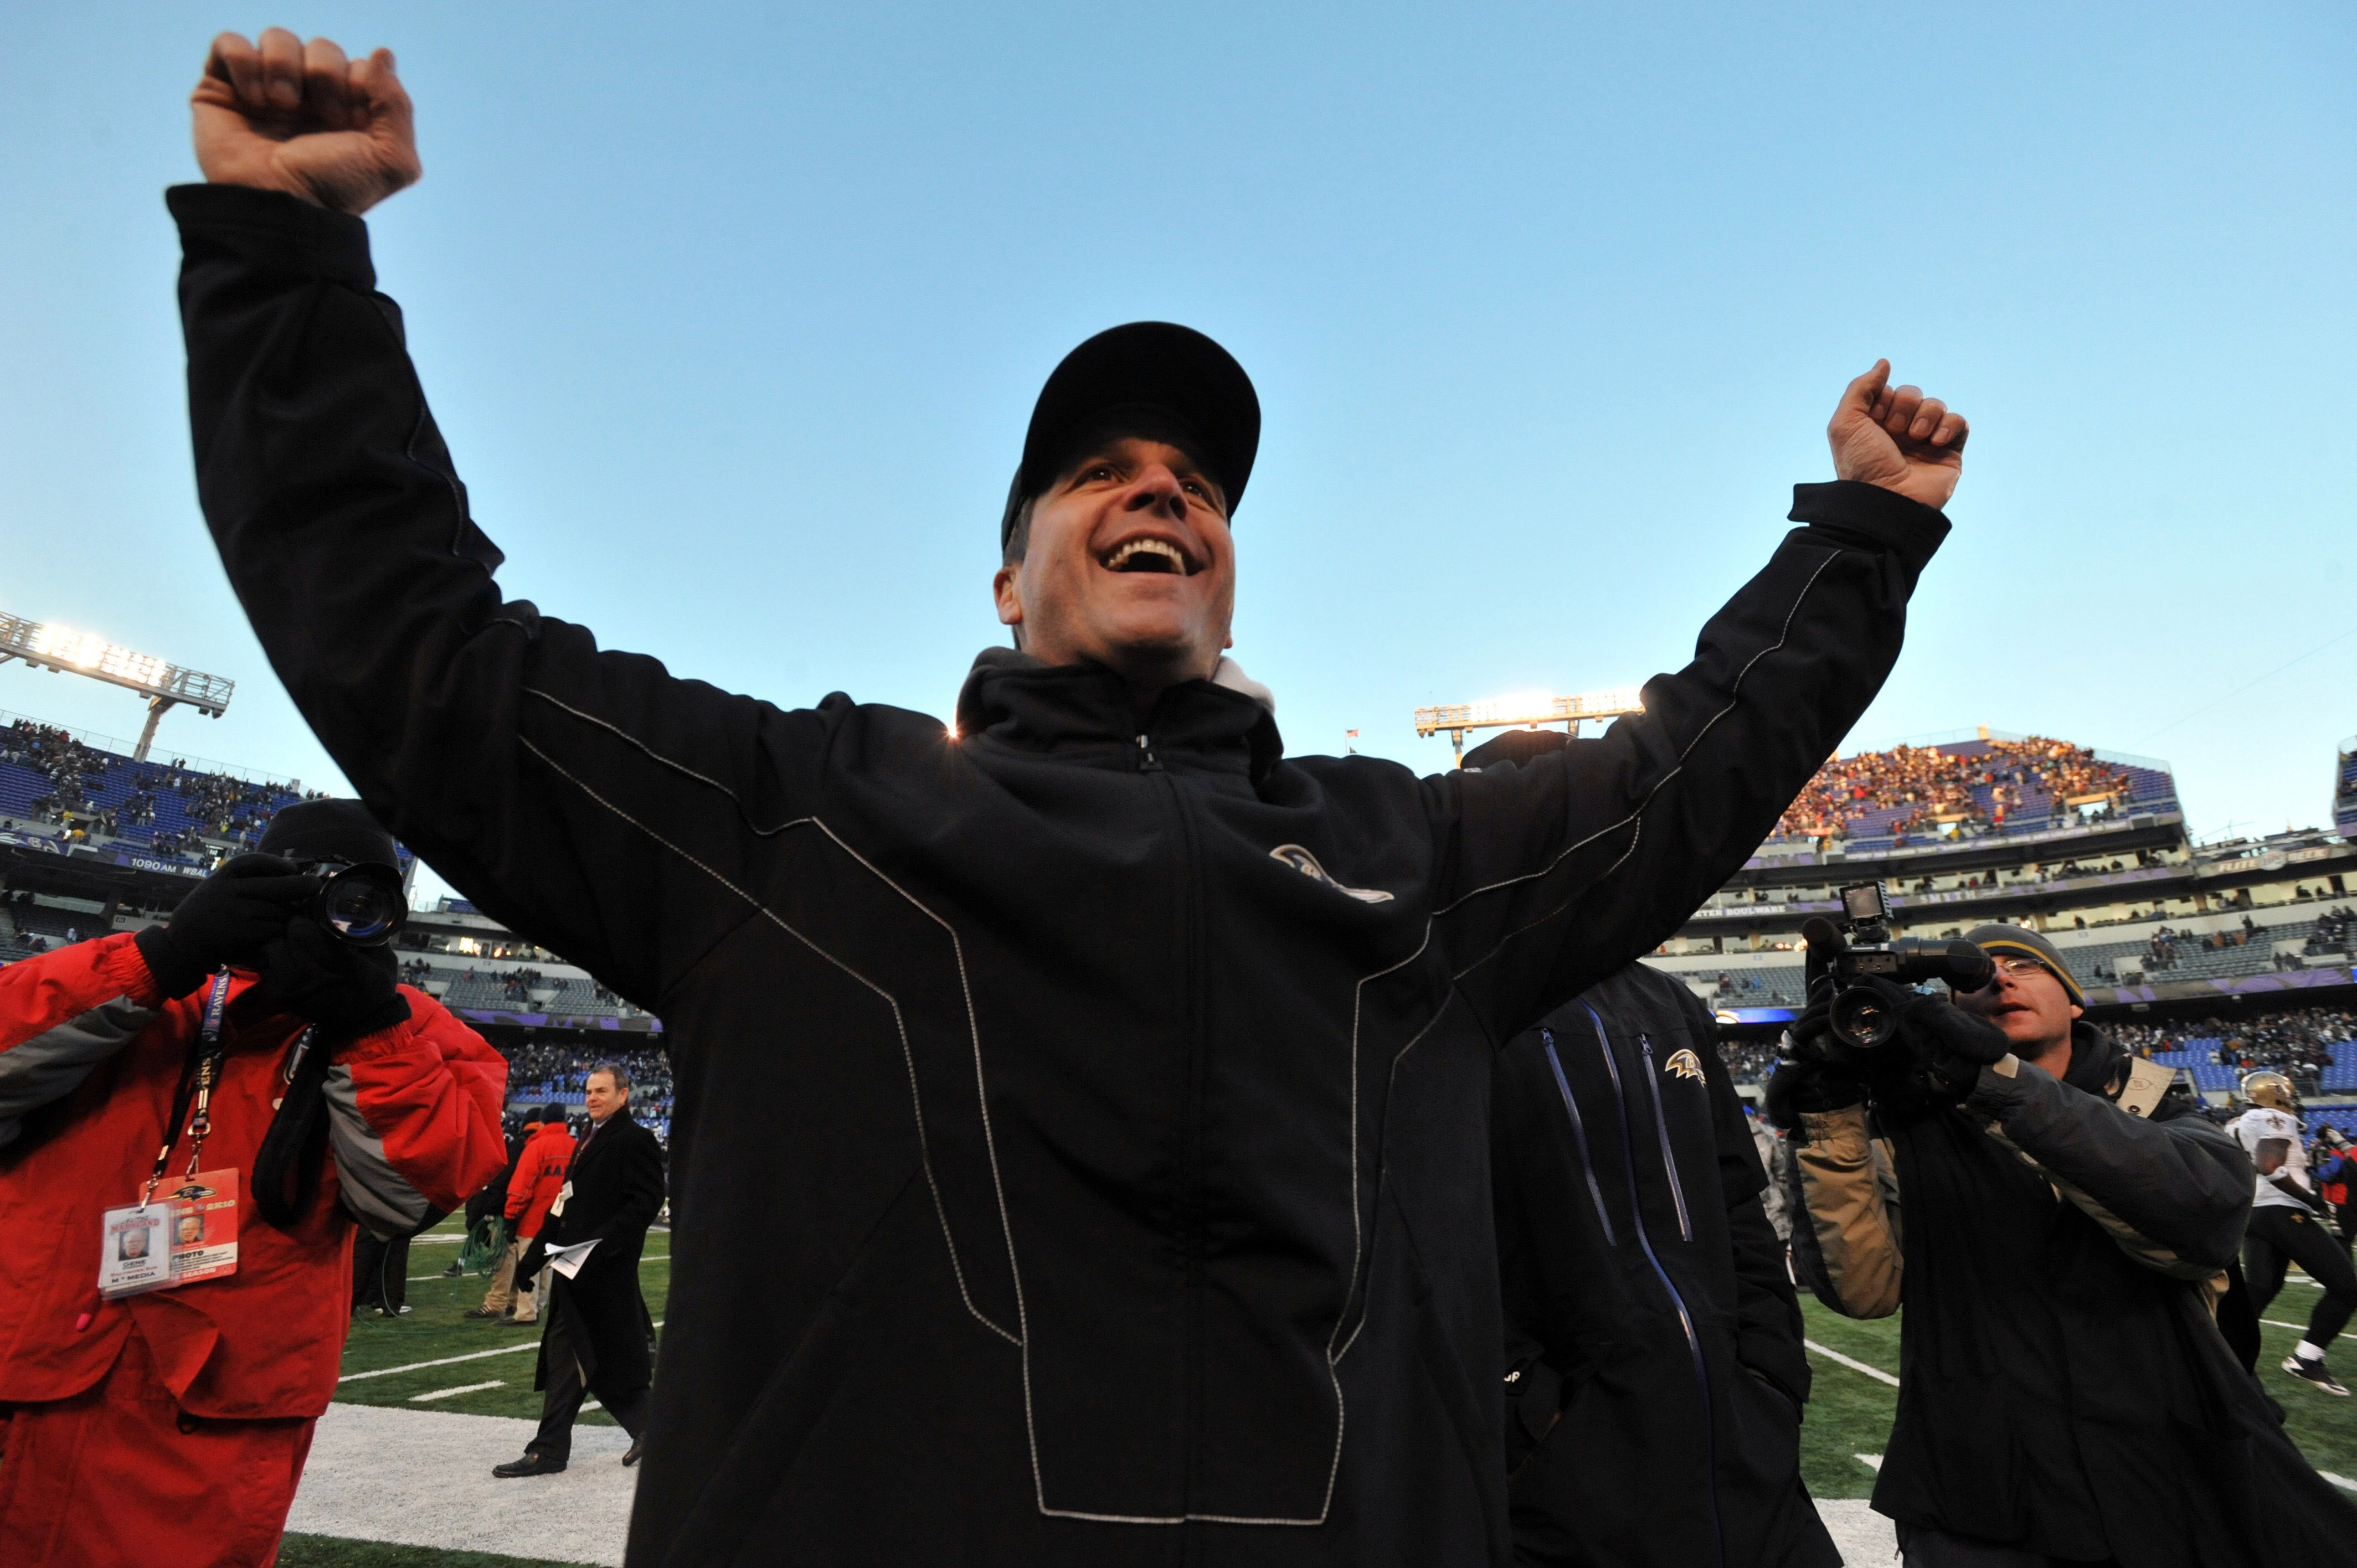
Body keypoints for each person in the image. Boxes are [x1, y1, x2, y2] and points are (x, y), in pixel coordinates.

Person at [173, 31, 1960, 1562]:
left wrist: (1863, 532)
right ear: (1008, 575)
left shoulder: (1406, 860)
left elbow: (1691, 763)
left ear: (1226, 571)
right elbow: (425, 649)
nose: (1156, 490)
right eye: (1096, 471)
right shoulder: (800, 814)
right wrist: (283, 248)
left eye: (1193, 478)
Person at [0, 801, 507, 1568]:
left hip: (208, 1422)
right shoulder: (147, 976)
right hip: (31, 1373)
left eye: (352, 896)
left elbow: (408, 1195)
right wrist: (161, 958)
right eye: (293, 884)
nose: (316, 906)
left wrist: (368, 1031)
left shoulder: (418, 1032)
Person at [1774, 922, 2357, 1565]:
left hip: (2170, 1475)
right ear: (1948, 1011)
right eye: (1974, 974)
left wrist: (1993, 1081)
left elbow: (2203, 1226)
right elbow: (1862, 1289)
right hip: (1980, 1496)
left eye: (2022, 966)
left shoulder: (2159, 1106)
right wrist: (1828, 1124)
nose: (1997, 977)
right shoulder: (1910, 1129)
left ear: (2074, 1000)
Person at [1488, 871, 1836, 1568]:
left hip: (1742, 1454)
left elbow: (1737, 1197)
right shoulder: (1458, 1002)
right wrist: (1526, 1412)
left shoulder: (1667, 999)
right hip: (1563, 1482)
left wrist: (1769, 1368)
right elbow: (1416, 1227)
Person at [494, 1063, 666, 1476]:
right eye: (589, 1091)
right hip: (575, 1270)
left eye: (602, 1091)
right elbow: (563, 1204)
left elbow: (644, 1204)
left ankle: (556, 1448)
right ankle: (556, 1447)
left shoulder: (634, 1139)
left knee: (589, 1356)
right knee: (573, 1358)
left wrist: (601, 1246)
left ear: (624, 1095)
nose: (592, 1098)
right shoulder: (585, 1142)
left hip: (603, 1271)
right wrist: (532, 1259)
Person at [2230, 1071, 2357, 1396]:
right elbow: (2270, 1166)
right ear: (2276, 1094)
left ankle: (2222, 1357)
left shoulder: (2237, 1122)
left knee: (2260, 1289)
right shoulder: (2273, 1117)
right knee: (2346, 1287)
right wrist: (2312, 1200)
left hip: (2255, 1212)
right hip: (2282, 1210)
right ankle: (2307, 1358)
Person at [489, 1103, 574, 1328]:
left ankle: (526, 1313)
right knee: (548, 1268)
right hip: (562, 1220)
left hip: (534, 1220)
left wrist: (511, 1216)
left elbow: (522, 1187)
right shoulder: (575, 1146)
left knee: (531, 1265)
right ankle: (539, 1307)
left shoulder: (537, 1146)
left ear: (543, 1122)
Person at [460, 1106, 542, 1301]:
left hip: (513, 1206)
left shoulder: (523, 1146)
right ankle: (524, 1302)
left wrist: (494, 1207)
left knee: (506, 1254)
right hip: (539, 1213)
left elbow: (512, 1182)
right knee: (533, 1262)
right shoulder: (555, 1145)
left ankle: (499, 1303)